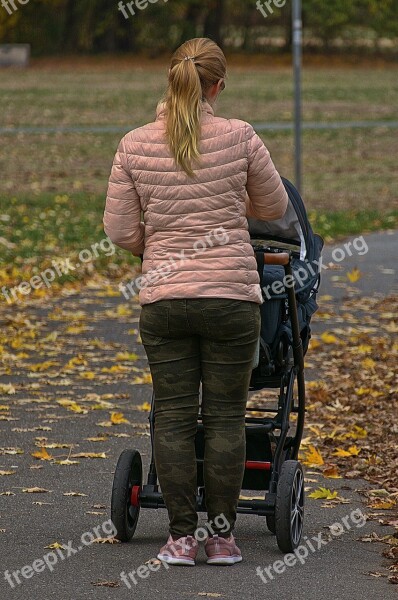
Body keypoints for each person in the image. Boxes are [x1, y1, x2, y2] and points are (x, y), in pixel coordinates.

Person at [104, 37, 288, 566]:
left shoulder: (134, 143)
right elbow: (274, 206)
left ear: (171, 80)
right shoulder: (240, 137)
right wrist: (230, 213)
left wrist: (155, 244)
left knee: (176, 417)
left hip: (166, 300)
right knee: (228, 416)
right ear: (218, 85)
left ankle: (181, 538)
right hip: (231, 297)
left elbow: (119, 228)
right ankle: (224, 539)